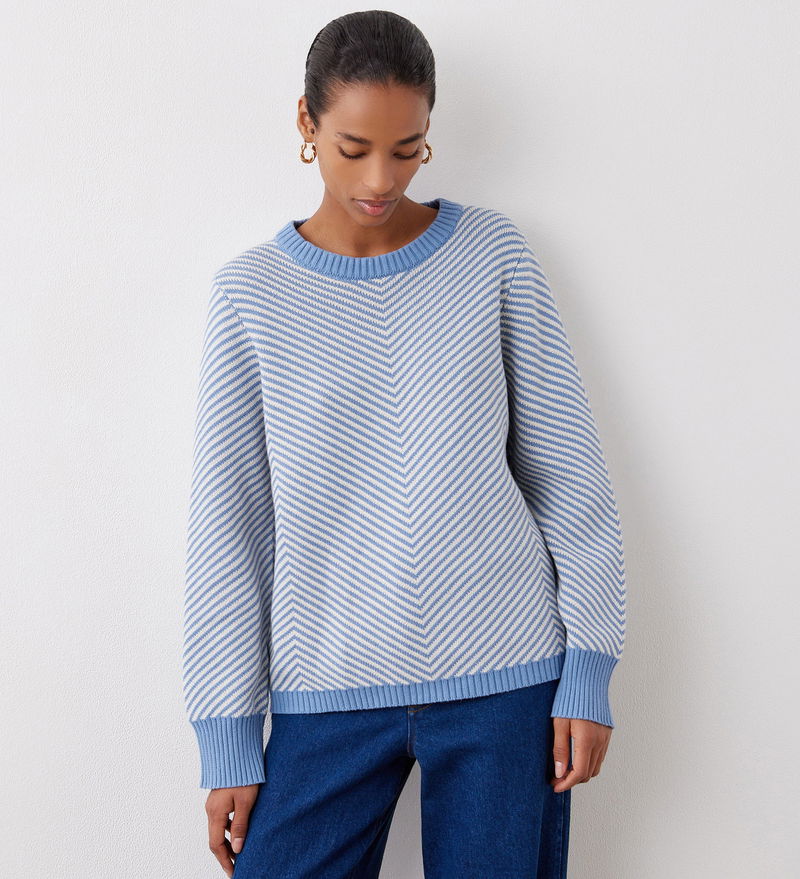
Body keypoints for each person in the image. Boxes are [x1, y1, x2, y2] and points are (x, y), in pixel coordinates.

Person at [181, 10, 626, 879]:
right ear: (306, 123)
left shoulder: (492, 255)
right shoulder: (251, 297)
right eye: (353, 149)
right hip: (325, 685)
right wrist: (227, 734)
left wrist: (589, 665)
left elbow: (569, 476)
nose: (381, 178)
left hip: (508, 677)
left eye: (408, 148)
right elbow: (229, 529)